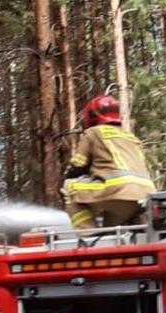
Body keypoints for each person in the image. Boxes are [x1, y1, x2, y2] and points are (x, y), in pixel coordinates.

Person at [62, 94, 156, 230]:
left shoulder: (93, 132)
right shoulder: (130, 137)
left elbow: (78, 165)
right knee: (110, 229)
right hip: (145, 196)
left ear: (92, 115)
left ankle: (88, 236)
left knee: (68, 186)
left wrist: (69, 175)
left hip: (117, 191)